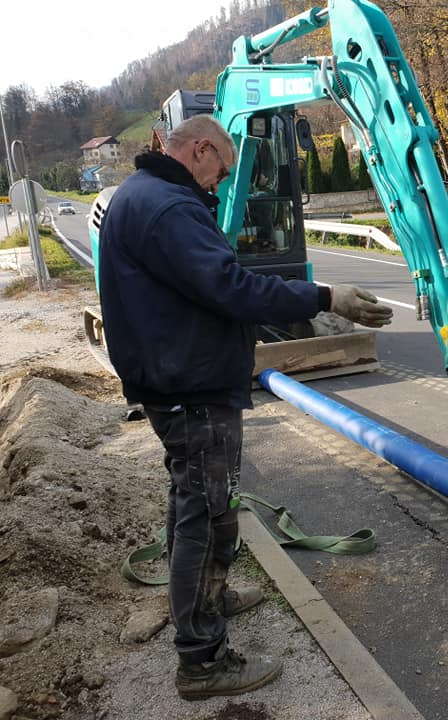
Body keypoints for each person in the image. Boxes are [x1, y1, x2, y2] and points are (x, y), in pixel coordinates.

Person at [97, 115, 392, 701]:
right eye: (221, 172)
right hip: (192, 387)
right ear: (201, 148)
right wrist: (325, 296)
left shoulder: (141, 196)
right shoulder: (171, 209)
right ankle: (203, 661)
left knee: (195, 504)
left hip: (172, 380)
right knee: (206, 517)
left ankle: (208, 599)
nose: (220, 185)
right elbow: (229, 286)